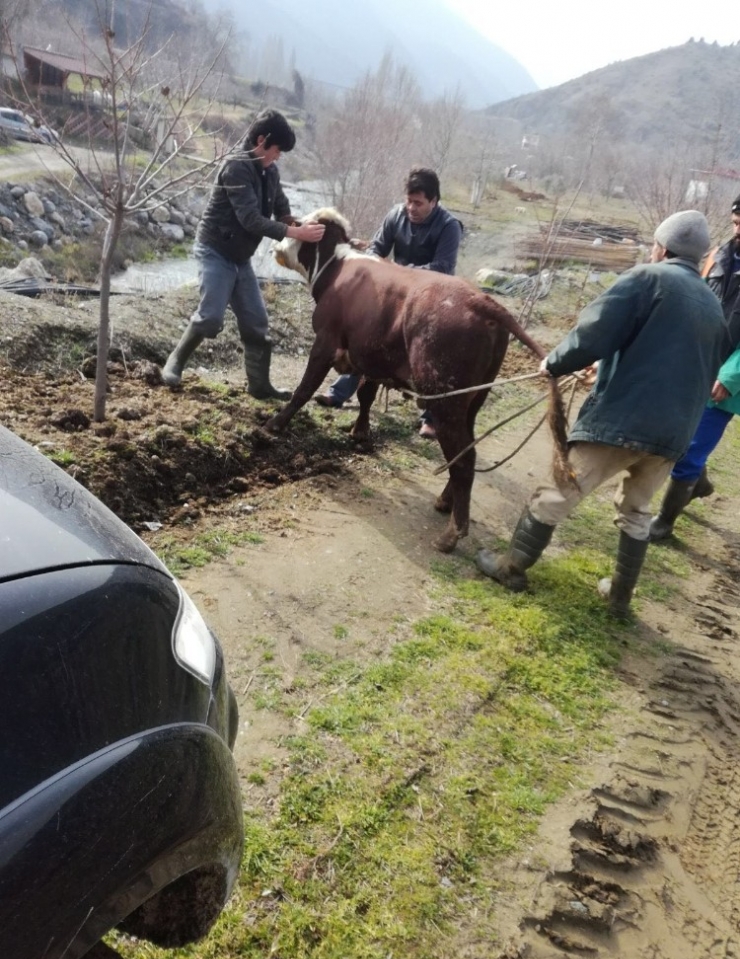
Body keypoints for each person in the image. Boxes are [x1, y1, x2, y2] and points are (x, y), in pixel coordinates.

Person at [475, 210, 729, 618]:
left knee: (559, 492)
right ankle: (619, 599)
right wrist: (608, 364)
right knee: (636, 511)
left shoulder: (648, 278)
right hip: (673, 433)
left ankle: (512, 566)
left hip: (623, 421)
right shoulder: (712, 306)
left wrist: (555, 363)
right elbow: (677, 357)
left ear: (662, 247)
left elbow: (595, 329)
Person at [162, 108, 324, 399]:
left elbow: (281, 210)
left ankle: (260, 385)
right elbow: (250, 218)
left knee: (256, 322)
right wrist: (295, 234)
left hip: (240, 258)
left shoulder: (270, 172)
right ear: (261, 141)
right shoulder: (236, 167)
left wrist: (299, 223)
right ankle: (175, 360)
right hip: (215, 250)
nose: (278, 157)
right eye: (276, 150)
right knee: (211, 317)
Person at [314, 166, 462, 438]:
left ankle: (431, 416)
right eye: (408, 200)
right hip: (396, 294)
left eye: (418, 203)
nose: (411, 207)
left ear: (434, 201)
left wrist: (401, 272)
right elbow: (375, 251)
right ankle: (340, 391)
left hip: (431, 297)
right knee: (364, 335)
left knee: (431, 353)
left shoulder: (449, 227)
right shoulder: (396, 215)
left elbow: (443, 267)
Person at [650, 196, 740, 540]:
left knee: (690, 450)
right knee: (677, 436)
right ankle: (699, 483)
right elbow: (695, 299)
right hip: (695, 361)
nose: (738, 230)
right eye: (735, 222)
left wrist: (731, 376)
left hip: (728, 377)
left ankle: (663, 524)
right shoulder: (717, 257)